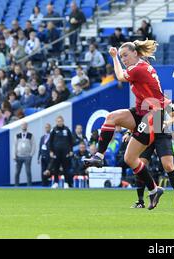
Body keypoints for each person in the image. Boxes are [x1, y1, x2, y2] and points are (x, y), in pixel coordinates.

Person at [83, 40, 167, 210]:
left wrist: (113, 57)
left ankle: (153, 190)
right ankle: (99, 156)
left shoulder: (138, 68)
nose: (123, 59)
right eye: (121, 57)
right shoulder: (143, 65)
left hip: (154, 115)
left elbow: (120, 77)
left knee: (130, 158)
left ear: (135, 53)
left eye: (125, 56)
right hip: (143, 111)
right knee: (111, 118)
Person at [49, 116, 74, 189]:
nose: (59, 122)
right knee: (56, 168)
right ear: (56, 122)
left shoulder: (67, 130)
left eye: (61, 121)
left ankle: (66, 183)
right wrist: (51, 151)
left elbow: (71, 141)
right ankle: (56, 183)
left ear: (63, 121)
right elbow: (50, 142)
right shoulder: (54, 130)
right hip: (56, 152)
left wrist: (71, 150)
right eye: (58, 121)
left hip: (65, 152)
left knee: (66, 168)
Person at [14, 122, 35, 186]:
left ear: (27, 126)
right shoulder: (17, 135)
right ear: (21, 126)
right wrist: (14, 155)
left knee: (28, 172)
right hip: (18, 156)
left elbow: (33, 145)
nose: (24, 126)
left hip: (27, 156)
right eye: (23, 125)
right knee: (17, 172)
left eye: (25, 125)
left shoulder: (30, 135)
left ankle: (29, 186)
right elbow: (14, 145)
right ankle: (16, 185)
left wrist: (31, 155)